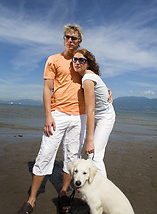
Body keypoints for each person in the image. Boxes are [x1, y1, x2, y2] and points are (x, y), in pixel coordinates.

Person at [17, 25, 112, 214]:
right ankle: (32, 198)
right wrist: (48, 115)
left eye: (74, 38)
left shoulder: (81, 61)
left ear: (79, 42)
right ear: (63, 38)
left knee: (72, 158)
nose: (70, 40)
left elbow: (95, 80)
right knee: (45, 154)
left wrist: (107, 90)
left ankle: (63, 193)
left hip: (79, 117)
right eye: (67, 37)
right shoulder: (53, 60)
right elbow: (47, 89)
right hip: (58, 114)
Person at [72, 48, 115, 177]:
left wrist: (89, 140)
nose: (77, 62)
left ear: (88, 63)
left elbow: (90, 110)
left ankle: (104, 191)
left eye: (81, 60)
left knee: (95, 155)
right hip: (96, 115)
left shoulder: (87, 78)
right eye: (75, 59)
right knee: (92, 155)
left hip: (104, 116)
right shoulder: (87, 76)